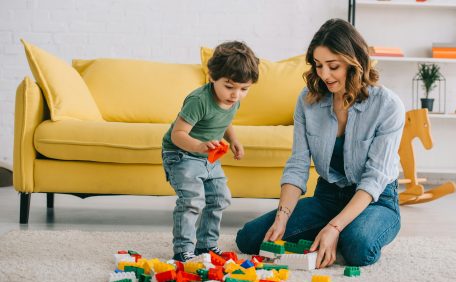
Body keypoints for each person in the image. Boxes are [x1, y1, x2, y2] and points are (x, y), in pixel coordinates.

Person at [236, 19, 405, 268]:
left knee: (357, 247)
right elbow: (297, 164)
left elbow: (374, 178)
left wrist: (334, 227)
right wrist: (283, 217)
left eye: (333, 66)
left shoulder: (388, 105)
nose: (324, 75)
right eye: (318, 66)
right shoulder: (308, 101)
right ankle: (326, 235)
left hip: (376, 200)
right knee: (250, 238)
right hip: (328, 197)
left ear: (353, 62)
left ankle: (337, 233)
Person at [162, 41, 259, 262]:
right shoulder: (199, 100)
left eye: (244, 89)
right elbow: (178, 134)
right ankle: (183, 250)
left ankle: (206, 246)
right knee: (192, 200)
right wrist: (198, 146)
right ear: (212, 76)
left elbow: (224, 121)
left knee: (219, 198)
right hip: (182, 154)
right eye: (230, 86)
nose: (236, 95)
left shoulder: (233, 101)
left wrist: (233, 140)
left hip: (208, 156)